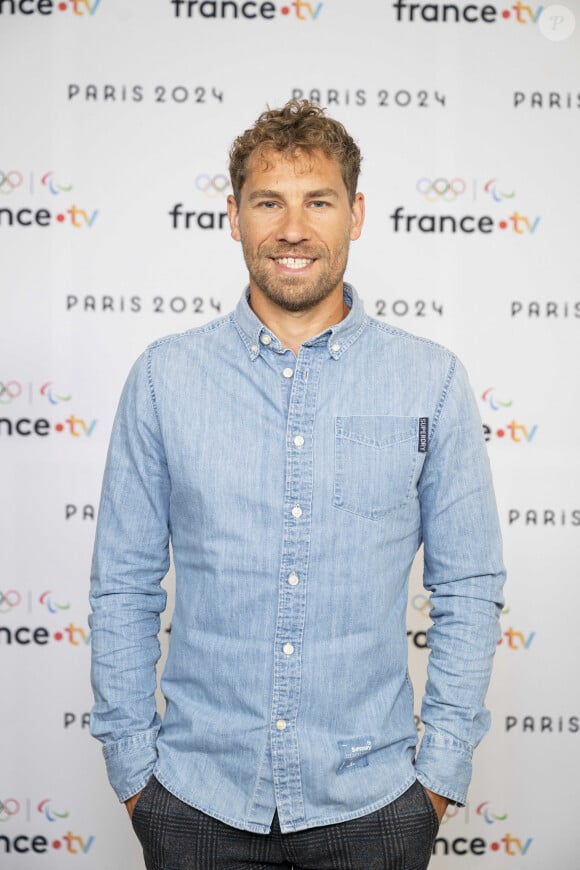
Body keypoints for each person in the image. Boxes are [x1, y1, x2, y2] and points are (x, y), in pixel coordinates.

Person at [89, 99, 506, 870]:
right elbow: (122, 584)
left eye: (318, 201)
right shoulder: (164, 378)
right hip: (192, 802)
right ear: (234, 216)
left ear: (356, 213)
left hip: (376, 806)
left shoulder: (431, 381)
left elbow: (471, 585)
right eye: (268, 201)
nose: (292, 228)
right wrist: (133, 773)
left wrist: (438, 778)